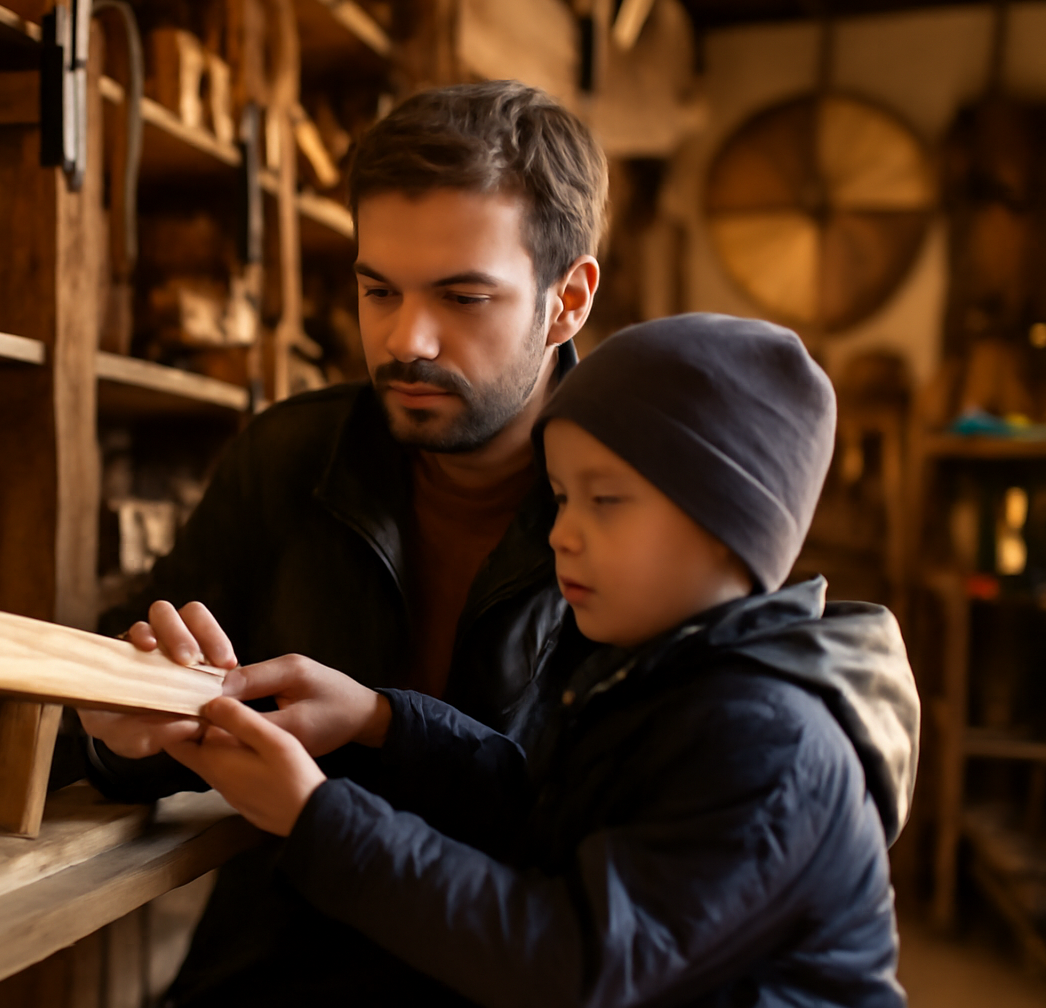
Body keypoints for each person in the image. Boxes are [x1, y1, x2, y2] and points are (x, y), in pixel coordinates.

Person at [157, 314, 922, 1007]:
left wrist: (318, 818)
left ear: (729, 524)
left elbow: (571, 964)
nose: (563, 533)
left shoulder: (770, 743)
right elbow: (541, 814)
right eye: (560, 497)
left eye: (606, 500)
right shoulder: (664, 677)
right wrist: (380, 720)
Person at [79, 80, 607, 1004]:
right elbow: (121, 720)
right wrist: (118, 732)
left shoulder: (644, 503)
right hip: (269, 975)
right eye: (377, 289)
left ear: (567, 303)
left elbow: (602, 857)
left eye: (463, 297)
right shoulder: (287, 456)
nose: (407, 340)